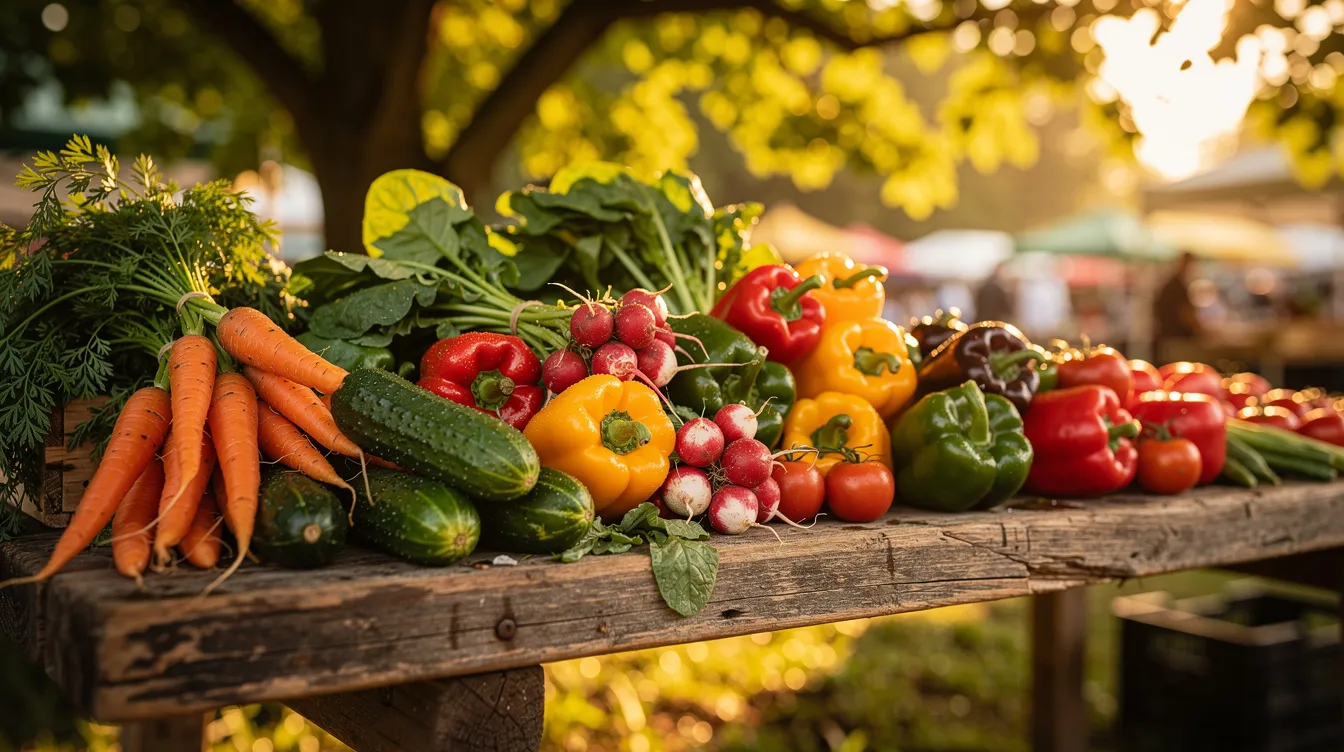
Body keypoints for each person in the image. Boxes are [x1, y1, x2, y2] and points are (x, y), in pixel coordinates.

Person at [1154, 251, 1201, 354]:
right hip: (1175, 340)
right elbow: (1185, 314)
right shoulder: (1177, 286)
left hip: (1169, 338)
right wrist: (1201, 331)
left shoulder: (1174, 284)